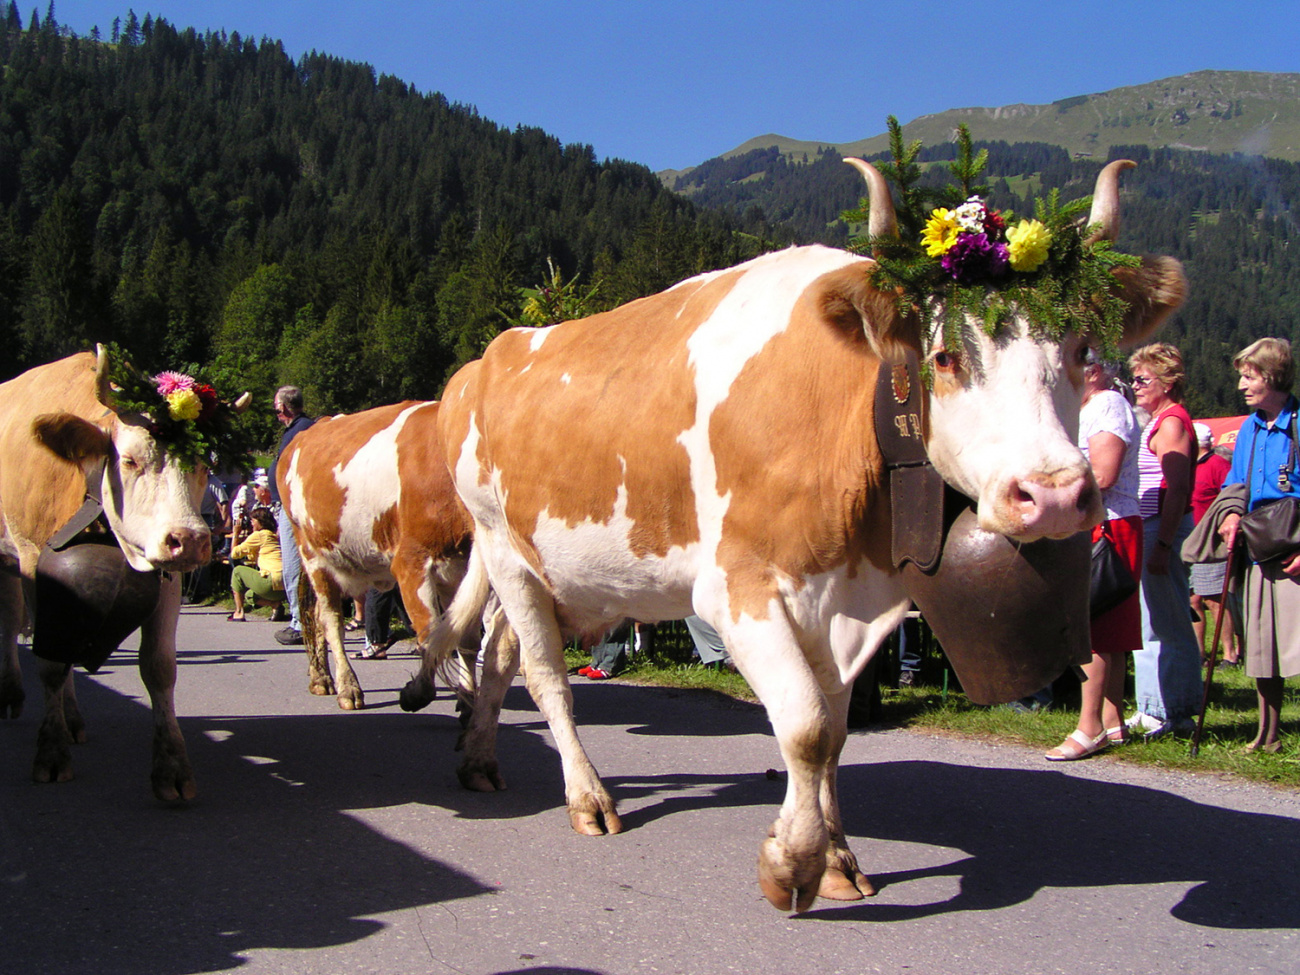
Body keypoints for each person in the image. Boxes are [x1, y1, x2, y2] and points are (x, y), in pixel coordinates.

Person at [1047, 351, 1143, 760]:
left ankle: (1089, 727)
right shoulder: (1097, 406)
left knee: (1094, 628)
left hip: (1107, 524)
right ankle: (1112, 719)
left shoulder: (1107, 405)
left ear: (1094, 371)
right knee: (1110, 629)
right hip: (1110, 523)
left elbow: (1103, 473)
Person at [1216, 338, 1300, 754]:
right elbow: (1236, 483)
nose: (1241, 386)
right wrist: (1230, 513)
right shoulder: (1250, 427)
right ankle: (1268, 735)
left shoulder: (1298, 424)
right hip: (1259, 545)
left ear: (1271, 376)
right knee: (1263, 644)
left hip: (1294, 545)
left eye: (1249, 377)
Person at [1126, 343, 1202, 739]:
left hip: (1160, 528)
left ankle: (1178, 711)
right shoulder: (1159, 421)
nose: (1136, 386)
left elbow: (1177, 488)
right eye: (1134, 379)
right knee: (1151, 622)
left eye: (1143, 379)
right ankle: (1152, 708)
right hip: (1151, 526)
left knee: (1168, 622)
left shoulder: (1171, 423)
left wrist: (1163, 545)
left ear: (1167, 382)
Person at [1188, 422, 1238, 666]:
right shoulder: (1189, 466)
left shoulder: (1217, 464)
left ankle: (1230, 653)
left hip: (1210, 541)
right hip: (1190, 540)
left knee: (1214, 599)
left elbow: (1232, 497)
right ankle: (1198, 653)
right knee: (1193, 600)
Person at [270, 386, 314, 646]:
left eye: (276, 407)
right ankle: (303, 619)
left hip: (293, 505)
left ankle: (300, 622)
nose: (276, 413)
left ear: (283, 407)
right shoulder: (299, 428)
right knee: (295, 566)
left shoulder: (301, 430)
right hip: (288, 504)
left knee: (294, 566)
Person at [227, 507, 285, 621]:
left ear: (261, 522)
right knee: (250, 595)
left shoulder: (259, 535)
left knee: (237, 571)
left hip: (271, 582)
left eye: (253, 520)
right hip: (284, 587)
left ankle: (239, 612)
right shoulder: (274, 536)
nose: (251, 523)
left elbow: (234, 554)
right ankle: (276, 605)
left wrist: (236, 534)